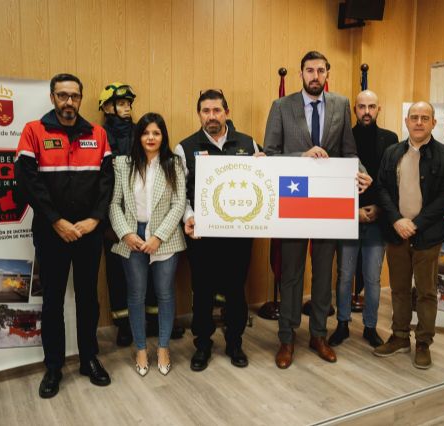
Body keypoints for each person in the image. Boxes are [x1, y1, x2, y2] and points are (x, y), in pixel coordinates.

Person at [263, 51, 372, 369]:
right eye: (309, 70)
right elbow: (269, 154)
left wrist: (361, 171)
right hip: (293, 202)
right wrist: (301, 155)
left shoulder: (340, 104)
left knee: (324, 274)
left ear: (327, 74)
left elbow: (349, 153)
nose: (315, 75)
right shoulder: (281, 106)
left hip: (329, 203)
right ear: (300, 74)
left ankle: (319, 335)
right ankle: (286, 338)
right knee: (292, 274)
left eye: (320, 70)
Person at [15, 73, 113, 398]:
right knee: (53, 301)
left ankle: (89, 360)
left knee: (88, 299)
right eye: (62, 95)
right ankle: (54, 367)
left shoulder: (97, 134)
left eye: (74, 96)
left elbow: (107, 183)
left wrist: (94, 220)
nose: (68, 102)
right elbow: (27, 181)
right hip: (50, 232)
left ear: (81, 98)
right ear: (52, 97)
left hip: (88, 233)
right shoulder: (33, 131)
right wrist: (56, 221)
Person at [175, 89, 263, 372]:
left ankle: (235, 341)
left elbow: (265, 183)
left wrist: (266, 167)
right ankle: (203, 344)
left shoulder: (249, 144)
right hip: (202, 235)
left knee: (236, 289)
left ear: (226, 111)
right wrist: (189, 218)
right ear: (199, 113)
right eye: (205, 111)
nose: (211, 116)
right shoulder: (184, 148)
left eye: (217, 110)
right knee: (201, 290)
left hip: (238, 235)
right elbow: (180, 194)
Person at [374, 101, 444, 369]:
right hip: (396, 233)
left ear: (434, 123)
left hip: (428, 236)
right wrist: (397, 220)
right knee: (398, 290)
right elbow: (382, 189)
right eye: (414, 117)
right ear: (406, 121)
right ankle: (399, 337)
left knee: (426, 292)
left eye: (425, 118)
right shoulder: (392, 153)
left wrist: (416, 223)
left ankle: (423, 342)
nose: (419, 122)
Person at [109, 112, 186, 377]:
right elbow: (114, 204)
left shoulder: (173, 163)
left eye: (156, 133)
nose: (150, 137)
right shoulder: (122, 164)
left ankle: (163, 347)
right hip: (132, 234)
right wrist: (126, 233)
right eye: (145, 133)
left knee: (165, 293)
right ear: (138, 136)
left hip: (164, 236)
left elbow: (179, 204)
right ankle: (141, 348)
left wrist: (158, 236)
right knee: (136, 295)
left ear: (163, 136)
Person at [329, 90, 398, 348]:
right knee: (345, 275)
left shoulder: (391, 139)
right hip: (348, 217)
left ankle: (370, 327)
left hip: (378, 219)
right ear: (354, 110)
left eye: (371, 106)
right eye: (361, 107)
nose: (366, 111)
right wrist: (353, 211)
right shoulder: (341, 140)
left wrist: (380, 208)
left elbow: (393, 181)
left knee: (372, 277)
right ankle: (343, 324)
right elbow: (334, 180)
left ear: (379, 109)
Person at [98, 82, 136, 346]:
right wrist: (106, 220)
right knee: (117, 273)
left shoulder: (142, 131)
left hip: (142, 213)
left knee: (148, 269)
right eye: (122, 103)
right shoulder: (97, 136)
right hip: (112, 215)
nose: (127, 108)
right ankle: (124, 326)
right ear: (107, 107)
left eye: (129, 103)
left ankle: (152, 321)